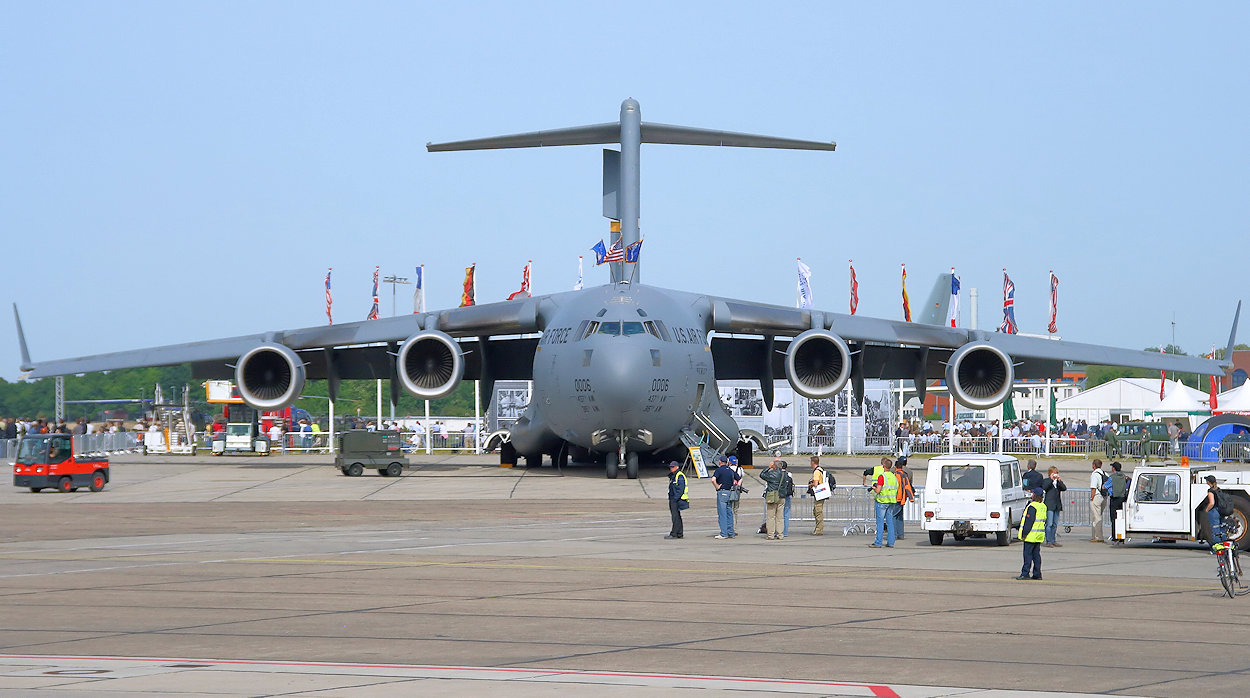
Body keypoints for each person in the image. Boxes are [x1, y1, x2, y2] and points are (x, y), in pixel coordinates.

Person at [1016, 487, 1047, 580]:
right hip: (1038, 535)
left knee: (1027, 555)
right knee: (1036, 555)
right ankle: (1037, 574)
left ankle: (1025, 573)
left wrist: (1024, 534)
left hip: (1030, 535)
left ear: (1035, 495)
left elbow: (1028, 522)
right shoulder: (1043, 506)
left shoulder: (1032, 506)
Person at [870, 460, 898, 548]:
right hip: (892, 501)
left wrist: (874, 488)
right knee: (890, 522)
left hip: (882, 501)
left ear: (884, 466)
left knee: (880, 522)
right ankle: (891, 542)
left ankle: (878, 542)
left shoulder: (882, 476)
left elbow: (878, 490)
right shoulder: (894, 477)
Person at [712, 455, 737, 539]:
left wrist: (717, 486)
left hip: (722, 492)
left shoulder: (718, 470)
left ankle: (724, 533)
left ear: (720, 462)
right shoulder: (730, 470)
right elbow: (739, 478)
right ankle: (731, 532)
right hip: (730, 492)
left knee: (722, 513)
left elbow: (713, 479)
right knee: (729, 513)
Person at [760, 458, 785, 540]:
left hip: (772, 496)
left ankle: (771, 534)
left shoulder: (772, 474)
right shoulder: (785, 474)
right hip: (781, 496)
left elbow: (762, 475)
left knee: (771, 517)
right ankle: (780, 534)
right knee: (780, 517)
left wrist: (768, 467)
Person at [1042, 466, 1067, 547]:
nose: (1056, 475)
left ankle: (1053, 540)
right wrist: (1051, 479)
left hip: (1057, 505)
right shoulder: (1046, 481)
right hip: (1049, 505)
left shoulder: (1058, 483)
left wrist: (1059, 481)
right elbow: (1044, 488)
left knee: (1055, 524)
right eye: (1054, 473)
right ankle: (1048, 541)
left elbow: (1064, 488)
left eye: (1057, 473)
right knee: (1049, 524)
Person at [1106, 461, 1129, 545]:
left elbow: (1105, 486)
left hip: (1114, 499)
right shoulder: (1124, 476)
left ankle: (1115, 536)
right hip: (1122, 498)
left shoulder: (1112, 477)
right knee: (1121, 518)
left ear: (1114, 468)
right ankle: (1121, 537)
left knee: (1114, 518)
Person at [666, 461, 689, 539]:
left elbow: (680, 489)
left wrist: (675, 498)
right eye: (670, 467)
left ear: (677, 467)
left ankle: (674, 533)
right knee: (677, 517)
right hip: (674, 498)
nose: (671, 468)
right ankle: (679, 533)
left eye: (673, 467)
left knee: (675, 517)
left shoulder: (679, 476)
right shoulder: (674, 475)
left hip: (677, 499)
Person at [807, 456, 829, 535]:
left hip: (819, 493)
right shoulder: (821, 469)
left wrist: (811, 484)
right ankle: (818, 528)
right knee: (816, 510)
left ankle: (819, 529)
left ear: (812, 462)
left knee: (818, 511)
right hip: (822, 493)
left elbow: (816, 484)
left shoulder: (816, 471)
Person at [894, 457, 914, 540]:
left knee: (893, 516)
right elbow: (909, 484)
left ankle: (894, 534)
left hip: (895, 497)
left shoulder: (894, 472)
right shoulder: (909, 472)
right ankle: (900, 534)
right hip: (903, 497)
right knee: (900, 516)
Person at [1202, 474, 1224, 542]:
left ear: (1208, 482)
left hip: (1214, 511)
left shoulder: (1211, 491)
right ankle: (1224, 544)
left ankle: (1217, 547)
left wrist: (1206, 510)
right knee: (1221, 530)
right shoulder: (1218, 489)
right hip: (1221, 510)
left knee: (1215, 530)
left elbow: (1212, 503)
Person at [1089, 459, 1107, 543]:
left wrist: (1091, 498)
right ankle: (1095, 535)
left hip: (1097, 496)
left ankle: (1098, 536)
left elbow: (1093, 487)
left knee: (1097, 517)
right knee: (1098, 516)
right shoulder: (1105, 473)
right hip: (1104, 496)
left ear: (1094, 465)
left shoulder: (1095, 474)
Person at [780, 461, 794, 538]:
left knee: (778, 515)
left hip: (779, 495)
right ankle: (785, 532)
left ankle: (778, 531)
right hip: (787, 495)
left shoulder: (778, 474)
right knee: (786, 514)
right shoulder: (789, 474)